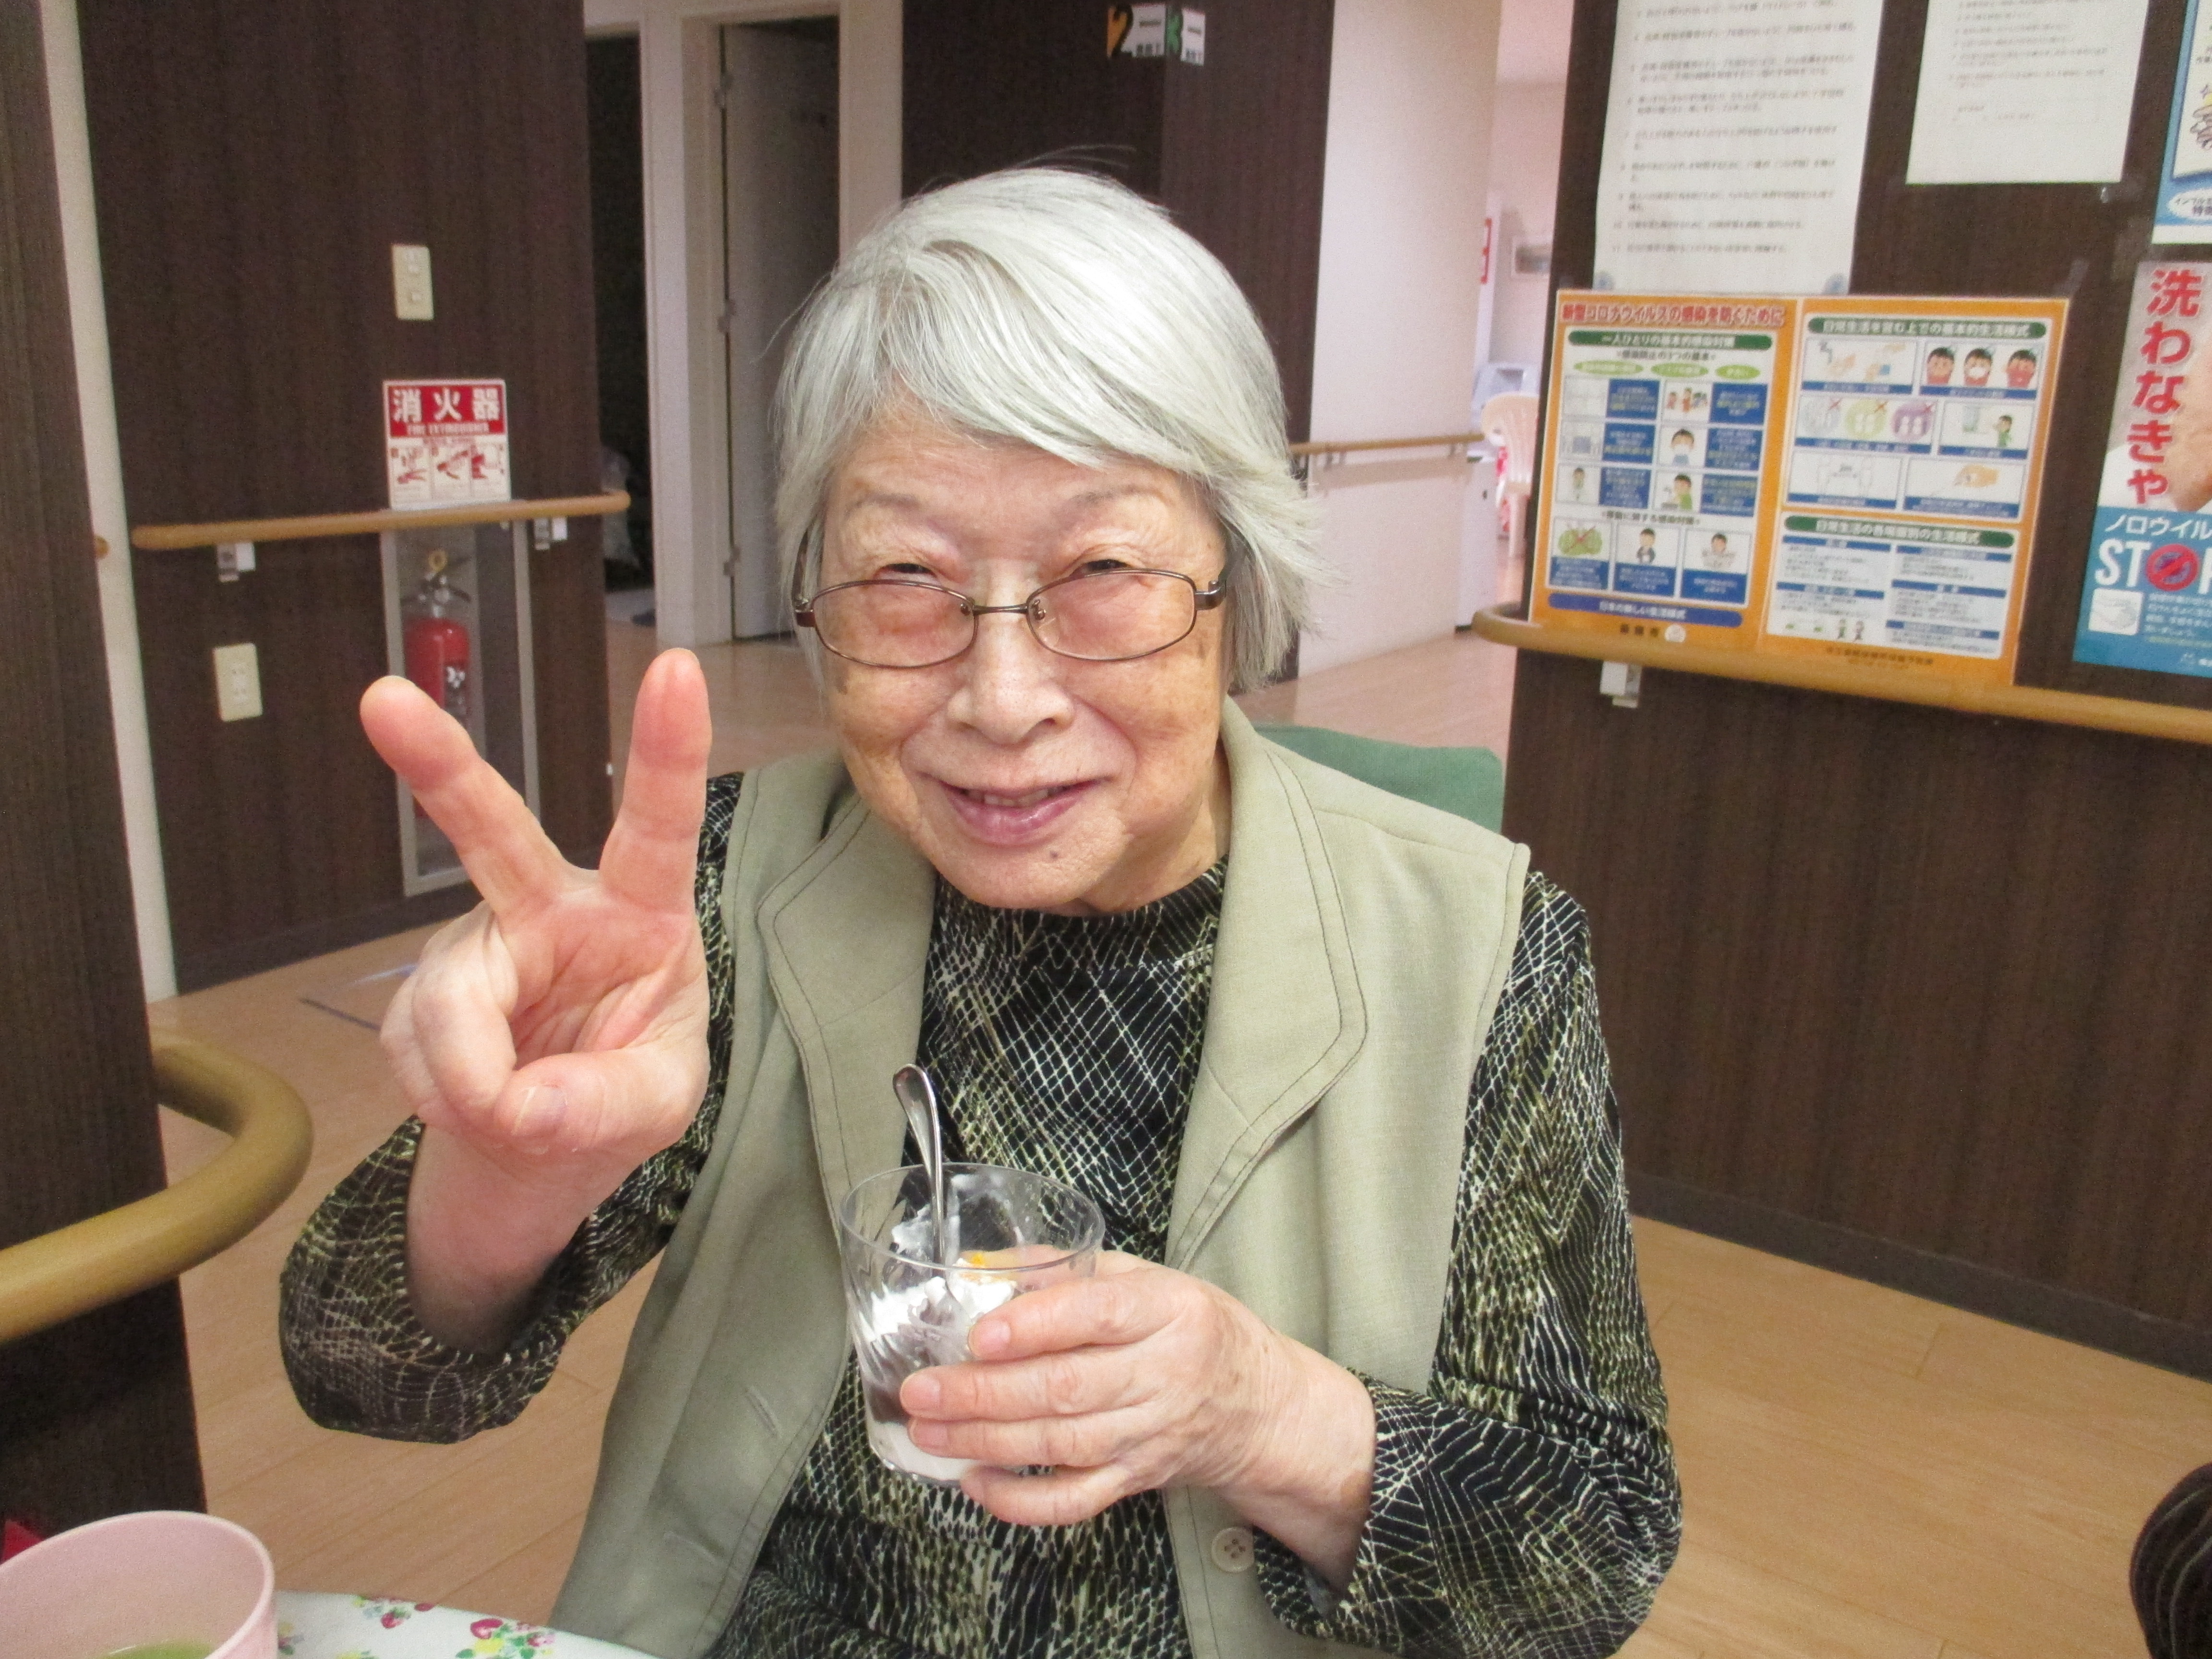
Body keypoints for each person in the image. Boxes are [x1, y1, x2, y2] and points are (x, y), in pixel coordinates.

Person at [280, 169, 1679, 1659]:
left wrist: (1260, 1411)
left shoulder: (1484, 953)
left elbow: (1592, 1558)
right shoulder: (730, 897)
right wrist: (505, 1179)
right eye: (907, 578)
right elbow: (360, 1375)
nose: (1004, 703)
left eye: (1105, 572)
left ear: (1239, 582)